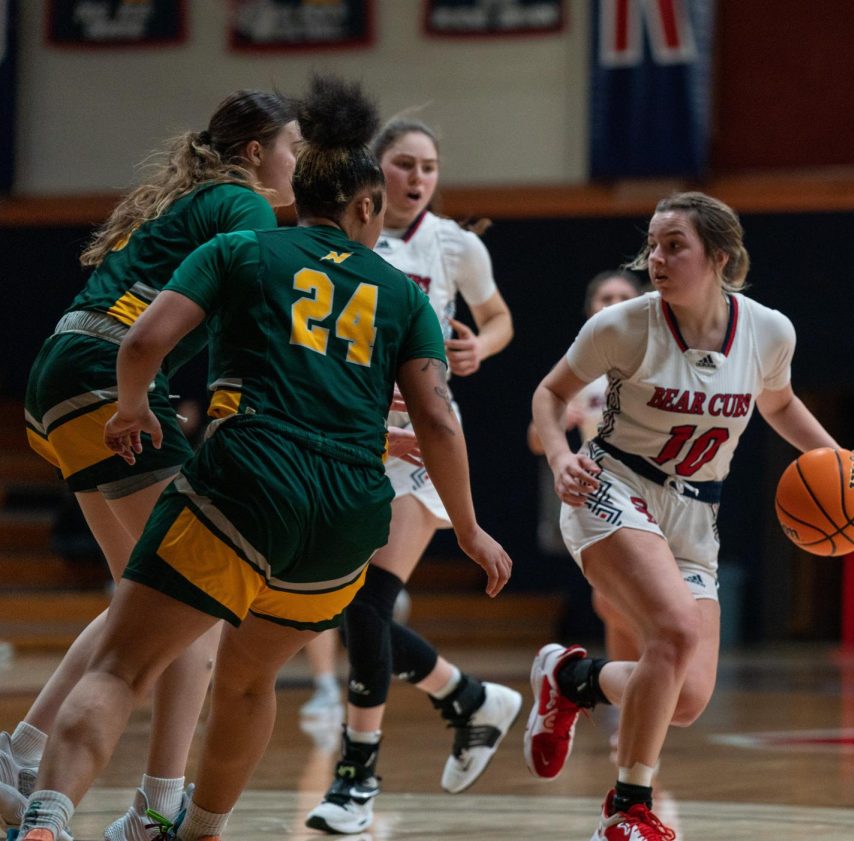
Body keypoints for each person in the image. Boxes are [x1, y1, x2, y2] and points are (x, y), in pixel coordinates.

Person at [13, 72, 512, 841]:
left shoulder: (246, 246)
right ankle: (188, 821)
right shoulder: (404, 294)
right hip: (346, 508)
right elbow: (439, 420)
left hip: (218, 462)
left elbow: (148, 340)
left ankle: (52, 807)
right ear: (364, 207)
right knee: (246, 681)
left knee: (129, 647)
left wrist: (137, 398)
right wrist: (472, 529)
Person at [525, 191, 854, 841]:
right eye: (653, 246)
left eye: (674, 246)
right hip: (614, 483)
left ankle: (570, 677)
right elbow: (549, 394)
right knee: (672, 630)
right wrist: (559, 457)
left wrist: (841, 462)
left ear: (719, 257)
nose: (656, 259)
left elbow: (777, 404)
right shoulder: (624, 324)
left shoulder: (769, 331)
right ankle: (628, 808)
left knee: (688, 696)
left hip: (696, 511)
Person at [5, 90, 302, 841]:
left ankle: (19, 754)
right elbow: (253, 318)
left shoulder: (198, 199)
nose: (301, 162)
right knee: (193, 600)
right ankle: (160, 807)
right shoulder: (245, 204)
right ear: (255, 154)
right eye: (294, 147)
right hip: (112, 368)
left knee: (140, 601)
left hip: (60, 373)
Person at [305, 115, 520, 835]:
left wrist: (478, 347)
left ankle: (356, 778)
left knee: (367, 606)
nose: (418, 177)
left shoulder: (456, 244)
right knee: (342, 604)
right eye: (403, 164)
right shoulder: (344, 235)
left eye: (428, 166)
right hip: (352, 436)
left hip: (421, 439)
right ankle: (465, 696)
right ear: (377, 169)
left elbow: (498, 318)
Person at [527, 269, 644, 666]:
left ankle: (625, 693)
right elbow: (535, 438)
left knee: (629, 600)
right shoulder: (580, 369)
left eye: (622, 297)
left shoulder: (658, 359)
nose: (612, 306)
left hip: (663, 493)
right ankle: (628, 700)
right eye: (604, 299)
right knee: (613, 599)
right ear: (590, 309)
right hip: (607, 493)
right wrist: (558, 427)